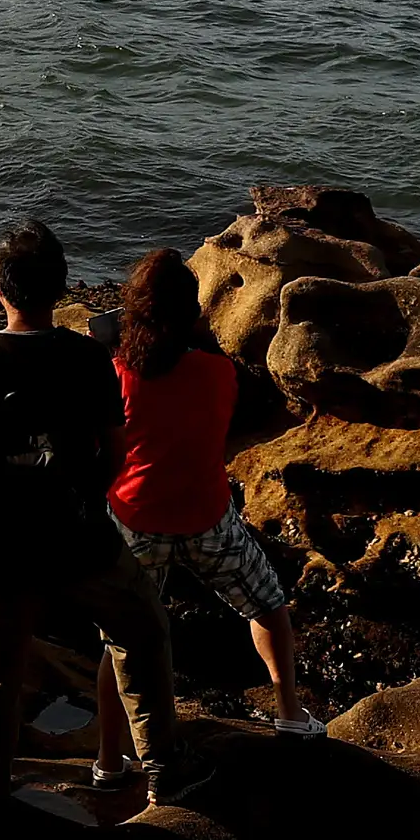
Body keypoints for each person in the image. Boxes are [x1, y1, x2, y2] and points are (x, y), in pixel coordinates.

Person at [0, 217, 192, 799]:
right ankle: (163, 766)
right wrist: (91, 496)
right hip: (78, 536)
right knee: (141, 630)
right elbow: (116, 448)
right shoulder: (87, 356)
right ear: (61, 288)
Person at [103, 248, 324, 747]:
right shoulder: (218, 372)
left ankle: (112, 754)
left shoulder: (118, 375)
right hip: (206, 517)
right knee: (267, 604)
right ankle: (289, 713)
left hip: (136, 519)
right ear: (193, 312)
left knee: (122, 641)